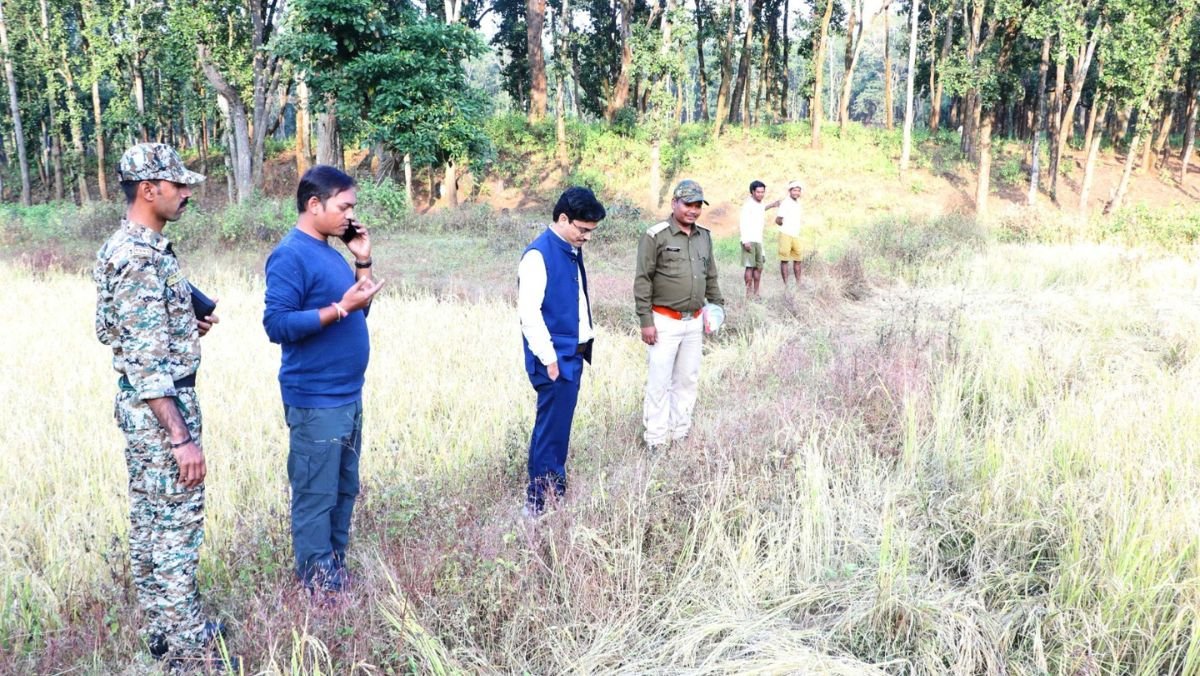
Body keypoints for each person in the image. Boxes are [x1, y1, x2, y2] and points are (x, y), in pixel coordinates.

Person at [93, 143, 228, 666]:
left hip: (146, 402)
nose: (187, 193)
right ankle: (191, 654)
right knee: (175, 530)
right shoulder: (138, 258)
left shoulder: (126, 248)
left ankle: (165, 629)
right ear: (149, 190)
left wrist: (180, 328)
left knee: (151, 520)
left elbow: (113, 330)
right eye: (178, 185)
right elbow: (147, 365)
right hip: (162, 410)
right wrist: (181, 438)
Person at [263, 165, 385, 592]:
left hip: (348, 394)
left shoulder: (332, 252)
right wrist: (340, 309)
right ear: (314, 205)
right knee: (316, 495)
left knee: (344, 487)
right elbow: (276, 324)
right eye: (344, 206)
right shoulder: (290, 255)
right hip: (316, 398)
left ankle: (334, 567)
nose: (350, 215)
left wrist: (363, 260)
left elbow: (359, 307)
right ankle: (317, 582)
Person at [517, 187, 607, 516]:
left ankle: (555, 492)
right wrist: (550, 359)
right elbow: (529, 314)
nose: (586, 237)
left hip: (572, 353)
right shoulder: (538, 255)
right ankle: (538, 502)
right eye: (582, 230)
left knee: (559, 428)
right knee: (550, 432)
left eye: (591, 232)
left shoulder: (570, 247)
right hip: (554, 358)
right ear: (563, 218)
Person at [634, 179, 725, 452]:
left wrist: (717, 307)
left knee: (687, 379)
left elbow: (711, 276)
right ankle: (656, 439)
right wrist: (646, 321)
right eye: (688, 204)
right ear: (674, 203)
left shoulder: (704, 237)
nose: (693, 211)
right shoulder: (656, 236)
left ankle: (680, 432)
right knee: (660, 382)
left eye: (698, 205)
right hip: (663, 321)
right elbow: (643, 280)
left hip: (694, 322)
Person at [738, 180, 781, 297]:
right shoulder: (748, 206)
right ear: (752, 192)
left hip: (759, 241)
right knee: (750, 267)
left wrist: (772, 205)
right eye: (758, 192)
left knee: (759, 268)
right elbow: (743, 222)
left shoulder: (760, 204)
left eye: (763, 192)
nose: (761, 194)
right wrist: (745, 240)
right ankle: (748, 294)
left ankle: (756, 294)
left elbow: (762, 208)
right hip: (749, 240)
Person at [775, 180, 805, 288]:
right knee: (785, 260)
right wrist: (785, 224)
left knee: (798, 259)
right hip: (785, 234)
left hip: (796, 234)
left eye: (798, 190)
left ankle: (798, 283)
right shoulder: (785, 203)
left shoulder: (798, 203)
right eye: (794, 190)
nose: (796, 193)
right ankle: (786, 285)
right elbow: (778, 220)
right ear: (790, 191)